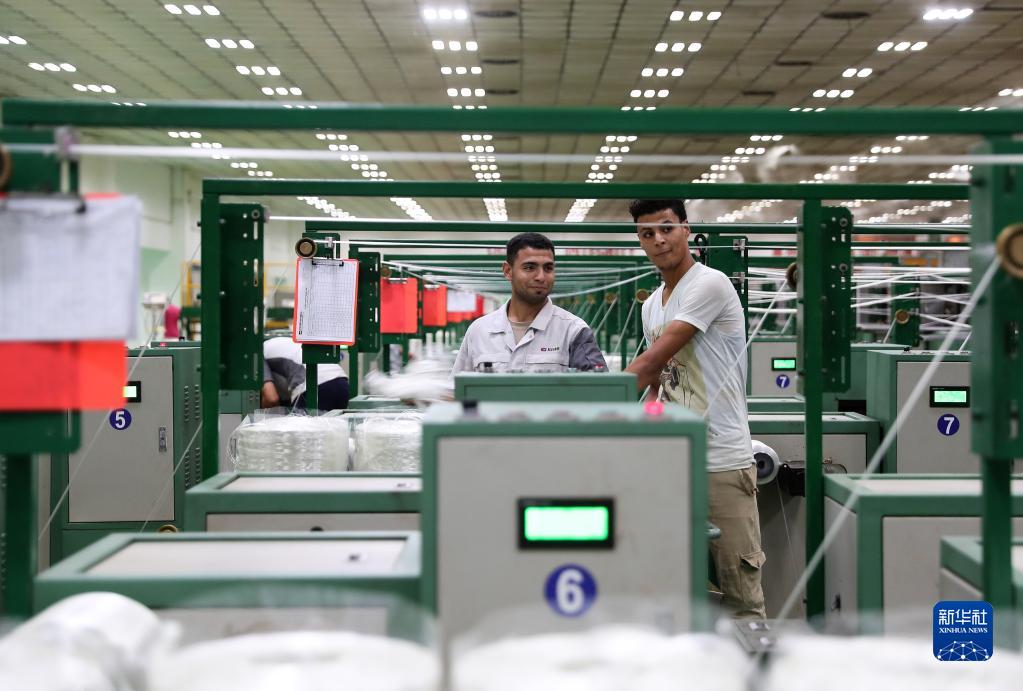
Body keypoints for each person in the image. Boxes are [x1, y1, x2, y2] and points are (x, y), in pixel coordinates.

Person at [624, 198, 765, 619]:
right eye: (647, 233)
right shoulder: (652, 304)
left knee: (740, 592)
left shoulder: (709, 284)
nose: (658, 240)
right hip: (674, 461)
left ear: (686, 229)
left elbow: (651, 360)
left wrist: (588, 403)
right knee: (675, 585)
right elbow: (659, 383)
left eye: (667, 228)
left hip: (721, 461)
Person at [452, 232, 607, 373]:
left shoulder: (573, 330)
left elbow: (601, 388)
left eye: (548, 268)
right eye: (529, 267)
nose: (541, 277)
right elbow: (457, 388)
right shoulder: (479, 331)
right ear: (508, 271)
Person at [262, 336, 350, 410]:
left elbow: (271, 399)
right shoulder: (280, 344)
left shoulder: (258, 355)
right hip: (341, 382)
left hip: (313, 386)